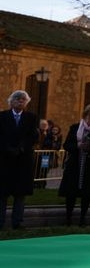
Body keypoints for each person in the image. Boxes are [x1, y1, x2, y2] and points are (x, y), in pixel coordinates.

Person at [58, 104, 90, 226]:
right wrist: (77, 146)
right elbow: (66, 145)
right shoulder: (75, 128)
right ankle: (68, 217)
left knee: (87, 193)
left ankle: (83, 217)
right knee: (71, 192)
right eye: (89, 116)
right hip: (75, 164)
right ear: (85, 116)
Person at [0, 90, 39, 230]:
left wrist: (21, 148)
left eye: (23, 99)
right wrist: (7, 148)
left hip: (23, 160)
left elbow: (33, 136)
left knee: (20, 194)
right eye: (17, 99)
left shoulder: (31, 117)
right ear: (11, 102)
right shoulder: (2, 116)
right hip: (5, 160)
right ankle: (1, 222)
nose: (20, 101)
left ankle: (17, 222)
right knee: (2, 193)